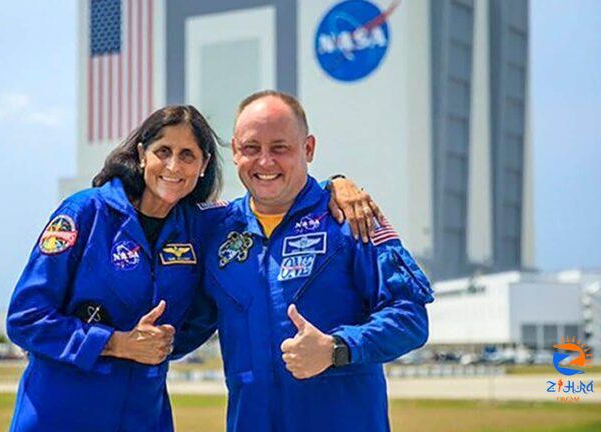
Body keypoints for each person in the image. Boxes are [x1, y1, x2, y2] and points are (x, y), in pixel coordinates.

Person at [7, 104, 379, 431]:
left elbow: (275, 197)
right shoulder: (86, 213)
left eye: (187, 155)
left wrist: (337, 185)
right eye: (163, 151)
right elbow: (25, 318)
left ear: (203, 166)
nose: (173, 166)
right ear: (141, 155)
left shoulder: (203, 225)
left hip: (144, 416)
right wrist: (116, 344)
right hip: (61, 412)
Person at [175, 91, 434, 432]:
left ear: (308, 149)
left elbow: (411, 318)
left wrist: (336, 348)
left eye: (280, 148)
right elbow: (188, 325)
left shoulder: (350, 218)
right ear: (235, 151)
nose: (265, 162)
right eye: (252, 148)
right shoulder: (215, 231)